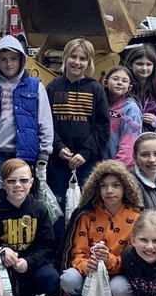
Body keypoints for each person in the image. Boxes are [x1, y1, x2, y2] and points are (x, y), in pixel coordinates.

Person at [59, 160, 143, 296]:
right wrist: (86, 265)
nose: (109, 190)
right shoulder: (86, 215)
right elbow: (77, 252)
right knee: (68, 279)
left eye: (115, 185)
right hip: (89, 273)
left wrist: (109, 260)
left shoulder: (136, 218)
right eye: (103, 186)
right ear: (96, 189)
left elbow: (135, 260)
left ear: (125, 187)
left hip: (118, 276)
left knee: (121, 290)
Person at [0, 35, 53, 192]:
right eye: (3, 59)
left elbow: (45, 123)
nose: (9, 63)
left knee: (18, 199)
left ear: (21, 60)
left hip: (22, 156)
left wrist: (44, 154)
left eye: (13, 58)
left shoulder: (36, 87)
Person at [46, 38, 109, 234]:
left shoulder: (95, 89)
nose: (77, 62)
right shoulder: (53, 87)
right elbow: (46, 123)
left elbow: (102, 126)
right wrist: (58, 146)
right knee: (57, 207)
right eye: (73, 56)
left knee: (85, 206)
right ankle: (58, 248)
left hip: (86, 162)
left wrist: (85, 153)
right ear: (65, 58)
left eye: (83, 58)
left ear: (89, 63)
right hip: (58, 161)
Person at [0, 158, 59, 296]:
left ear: (31, 182)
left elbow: (48, 247)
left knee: (51, 277)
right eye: (11, 181)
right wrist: (1, 251)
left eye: (23, 180)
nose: (17, 185)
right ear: (2, 184)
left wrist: (28, 262)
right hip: (0, 266)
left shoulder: (39, 209)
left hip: (28, 265)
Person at [125, 44, 156, 134]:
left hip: (151, 140)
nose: (144, 68)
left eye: (148, 64)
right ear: (130, 65)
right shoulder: (123, 89)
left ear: (154, 66)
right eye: (139, 64)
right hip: (126, 138)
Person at [104, 65, 143, 167]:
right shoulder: (100, 104)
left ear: (129, 87)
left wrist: (118, 165)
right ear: (105, 82)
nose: (120, 83)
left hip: (120, 166)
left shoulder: (131, 109)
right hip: (98, 164)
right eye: (115, 79)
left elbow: (129, 143)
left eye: (124, 81)